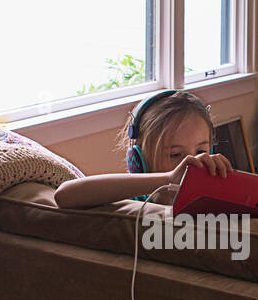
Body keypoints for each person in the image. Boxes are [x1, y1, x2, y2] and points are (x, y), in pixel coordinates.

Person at [54, 88, 241, 209]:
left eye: (201, 152)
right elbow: (65, 196)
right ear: (138, 160)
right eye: (175, 154)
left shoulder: (213, 200)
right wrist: (168, 179)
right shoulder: (132, 198)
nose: (191, 163)